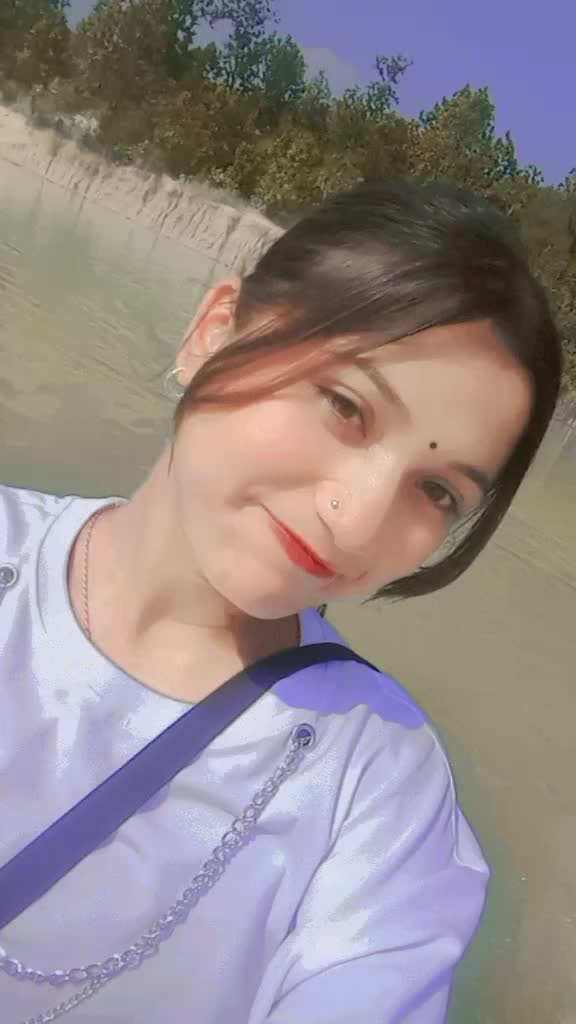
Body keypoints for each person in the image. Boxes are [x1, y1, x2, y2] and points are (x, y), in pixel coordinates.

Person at [0, 178, 563, 1023]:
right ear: (212, 332)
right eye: (346, 405)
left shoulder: (381, 797)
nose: (358, 519)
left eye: (437, 492)